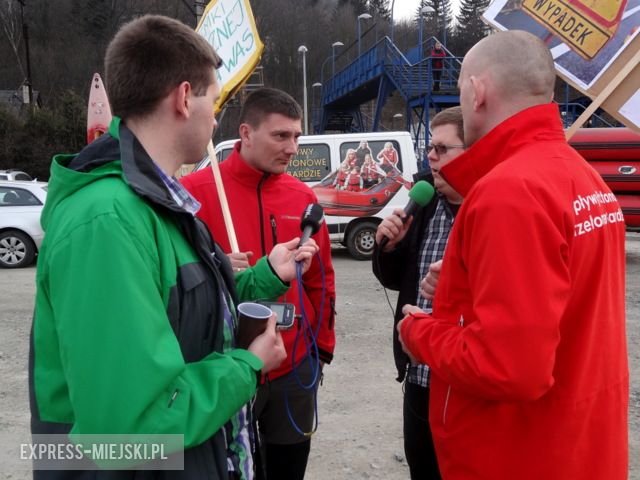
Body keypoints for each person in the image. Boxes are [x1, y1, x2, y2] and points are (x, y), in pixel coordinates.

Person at [28, 15, 321, 480]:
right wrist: (246, 366)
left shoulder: (154, 203)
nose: (216, 114)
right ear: (185, 98)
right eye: (214, 98)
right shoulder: (106, 221)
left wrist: (266, 272)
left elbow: (182, 309)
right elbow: (127, 433)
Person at [398, 30, 628, 479]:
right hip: (578, 444)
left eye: (462, 89)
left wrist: (419, 334)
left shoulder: (509, 191)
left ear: (477, 91)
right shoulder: (584, 177)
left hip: (518, 453)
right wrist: (472, 282)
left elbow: (511, 369)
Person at [181, 87, 336, 480]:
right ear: (246, 133)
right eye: (281, 136)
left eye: (297, 136)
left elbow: (322, 280)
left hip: (294, 364)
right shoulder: (195, 194)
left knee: (288, 468)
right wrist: (215, 266)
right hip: (226, 364)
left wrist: (321, 347)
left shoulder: (302, 196)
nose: (293, 147)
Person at [372, 107, 465, 480]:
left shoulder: (491, 207)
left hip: (464, 377)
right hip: (420, 374)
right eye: (430, 147)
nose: (431, 156)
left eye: (443, 148)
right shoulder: (423, 202)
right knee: (423, 467)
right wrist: (388, 248)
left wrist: (458, 289)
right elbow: (395, 280)